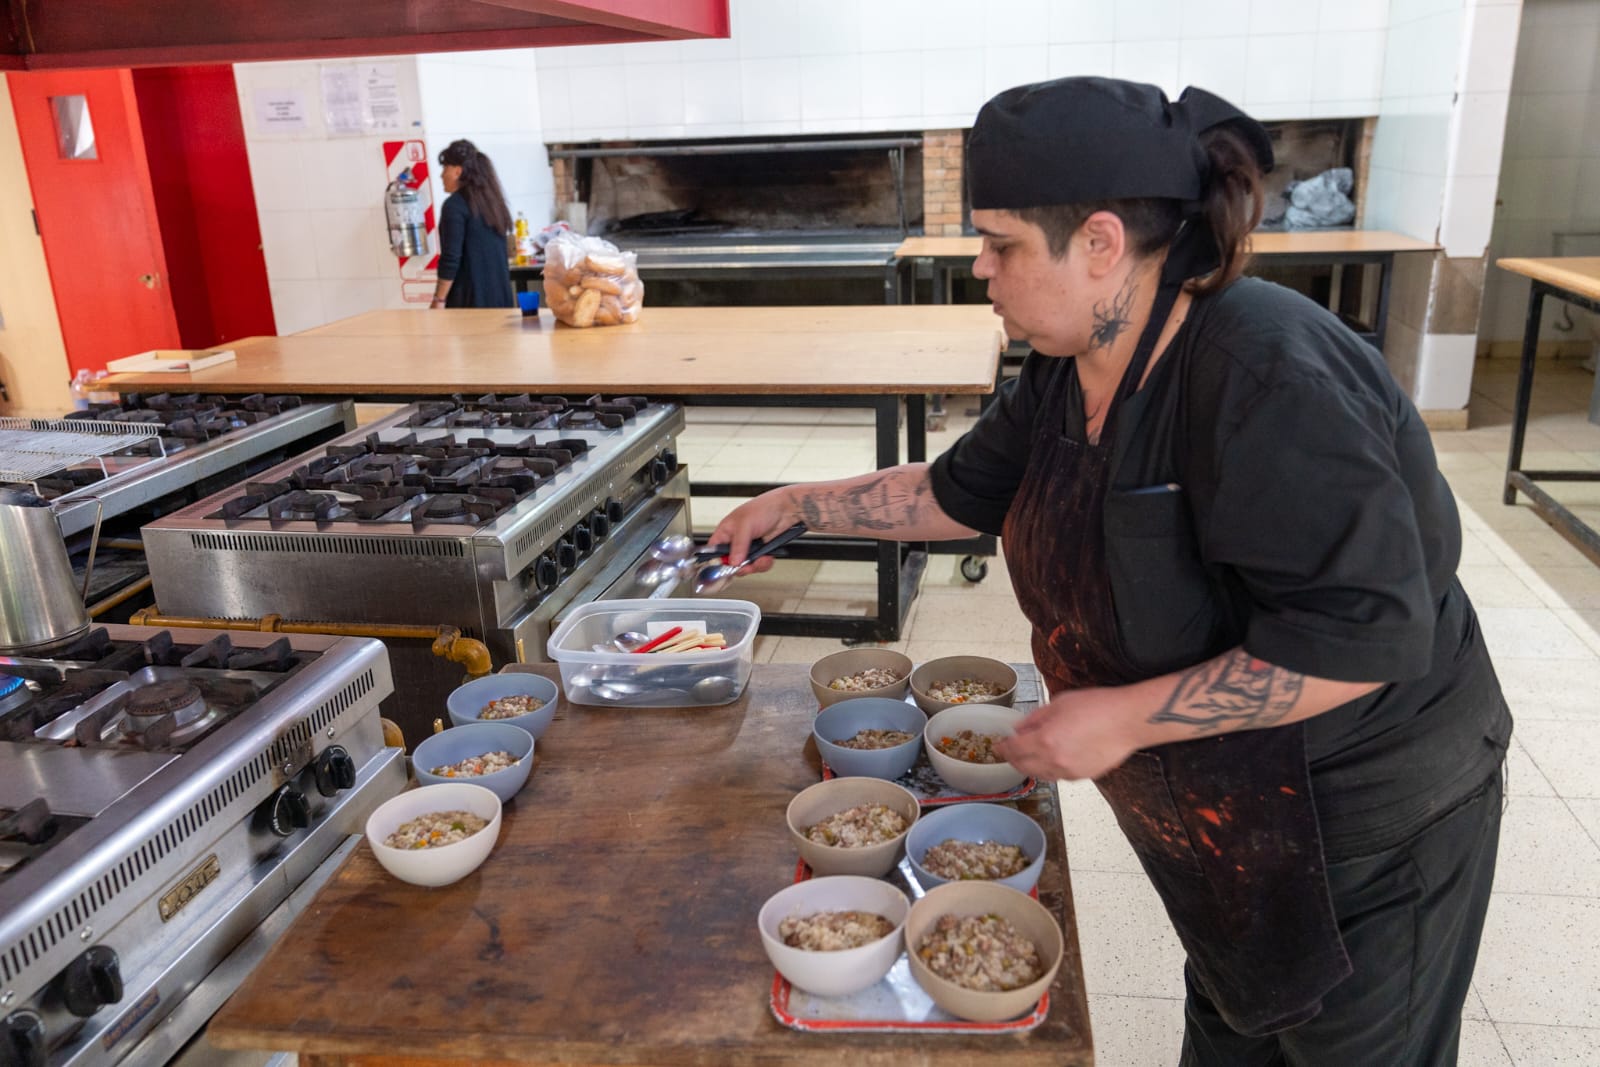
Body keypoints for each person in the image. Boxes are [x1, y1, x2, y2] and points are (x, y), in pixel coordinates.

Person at [711, 77, 1510, 1067]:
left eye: (1000, 244)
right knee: (1234, 1027)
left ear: (1099, 242)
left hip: (1361, 821)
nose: (980, 266)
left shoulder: (1268, 374)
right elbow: (957, 494)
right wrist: (797, 503)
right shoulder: (1069, 360)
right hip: (1227, 813)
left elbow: (1357, 640)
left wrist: (1126, 717)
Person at [430, 139, 515, 309]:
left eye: (445, 168)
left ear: (457, 171)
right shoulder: (492, 202)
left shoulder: (454, 205)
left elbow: (451, 257)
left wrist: (439, 299)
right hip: (501, 297)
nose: (441, 175)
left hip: (470, 301)